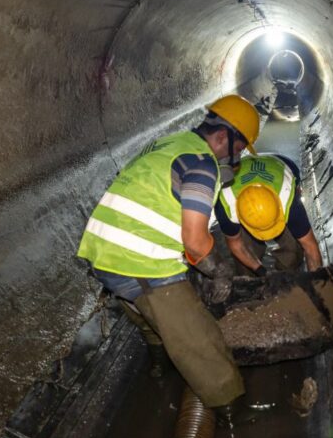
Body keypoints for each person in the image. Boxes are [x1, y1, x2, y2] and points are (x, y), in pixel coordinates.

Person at [75, 95, 260, 408]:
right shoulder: (203, 165)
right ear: (222, 137)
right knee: (201, 342)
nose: (237, 158)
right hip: (138, 258)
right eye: (239, 149)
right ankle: (230, 410)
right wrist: (219, 271)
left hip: (101, 249)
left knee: (147, 314)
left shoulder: (169, 142)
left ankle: (159, 366)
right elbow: (195, 241)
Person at [214, 153, 324, 274]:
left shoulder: (288, 200)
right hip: (245, 170)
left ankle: (287, 272)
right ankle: (249, 278)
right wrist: (259, 269)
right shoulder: (226, 205)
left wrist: (317, 280)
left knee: (293, 249)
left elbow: (310, 246)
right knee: (245, 257)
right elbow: (236, 245)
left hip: (279, 164)